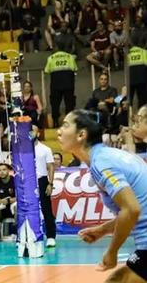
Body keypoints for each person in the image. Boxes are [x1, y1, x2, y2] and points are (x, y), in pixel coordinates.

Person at [58, 110, 147, 283]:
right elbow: (138, 208)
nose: (59, 131)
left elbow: (132, 210)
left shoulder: (102, 163)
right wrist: (103, 229)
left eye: (66, 125)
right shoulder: (106, 156)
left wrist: (112, 252)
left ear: (81, 135)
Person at [45, 46, 78, 128]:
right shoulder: (70, 57)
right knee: (69, 104)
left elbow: (47, 70)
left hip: (56, 84)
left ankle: (55, 122)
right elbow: (75, 68)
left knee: (55, 104)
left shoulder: (51, 58)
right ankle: (69, 123)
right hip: (68, 84)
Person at [35, 133, 57, 247]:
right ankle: (32, 235)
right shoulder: (23, 149)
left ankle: (51, 236)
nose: (30, 133)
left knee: (46, 209)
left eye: (32, 131)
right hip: (28, 182)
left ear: (37, 133)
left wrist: (50, 183)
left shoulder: (45, 149)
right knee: (27, 209)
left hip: (42, 180)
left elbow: (50, 167)